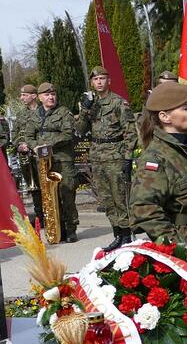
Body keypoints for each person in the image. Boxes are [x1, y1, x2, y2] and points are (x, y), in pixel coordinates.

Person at [131, 82, 187, 244]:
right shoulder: (156, 157)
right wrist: (176, 247)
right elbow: (144, 210)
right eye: (186, 108)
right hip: (183, 246)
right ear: (164, 117)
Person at [78, 66, 138, 250]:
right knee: (106, 199)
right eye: (96, 80)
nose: (99, 82)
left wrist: (128, 158)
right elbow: (80, 130)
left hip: (115, 154)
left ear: (108, 81)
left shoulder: (119, 102)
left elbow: (130, 132)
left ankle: (127, 236)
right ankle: (117, 234)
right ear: (92, 83)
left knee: (120, 197)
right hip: (97, 156)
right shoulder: (90, 104)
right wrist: (85, 111)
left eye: (102, 79)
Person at [23, 83, 79, 242]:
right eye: (47, 95)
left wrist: (48, 145)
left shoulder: (64, 112)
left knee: (66, 193)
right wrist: (35, 148)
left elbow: (68, 134)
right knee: (49, 195)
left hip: (62, 159)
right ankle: (57, 228)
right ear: (40, 97)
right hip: (44, 163)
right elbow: (28, 136)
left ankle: (71, 228)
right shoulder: (35, 116)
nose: (51, 97)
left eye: (53, 94)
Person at [14, 84, 43, 220]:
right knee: (34, 189)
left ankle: (53, 217)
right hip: (26, 157)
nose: (21, 98)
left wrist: (32, 145)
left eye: (24, 95)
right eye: (21, 95)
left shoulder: (43, 111)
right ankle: (39, 218)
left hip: (40, 155)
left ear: (34, 96)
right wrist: (19, 145)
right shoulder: (20, 114)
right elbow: (15, 134)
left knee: (46, 187)